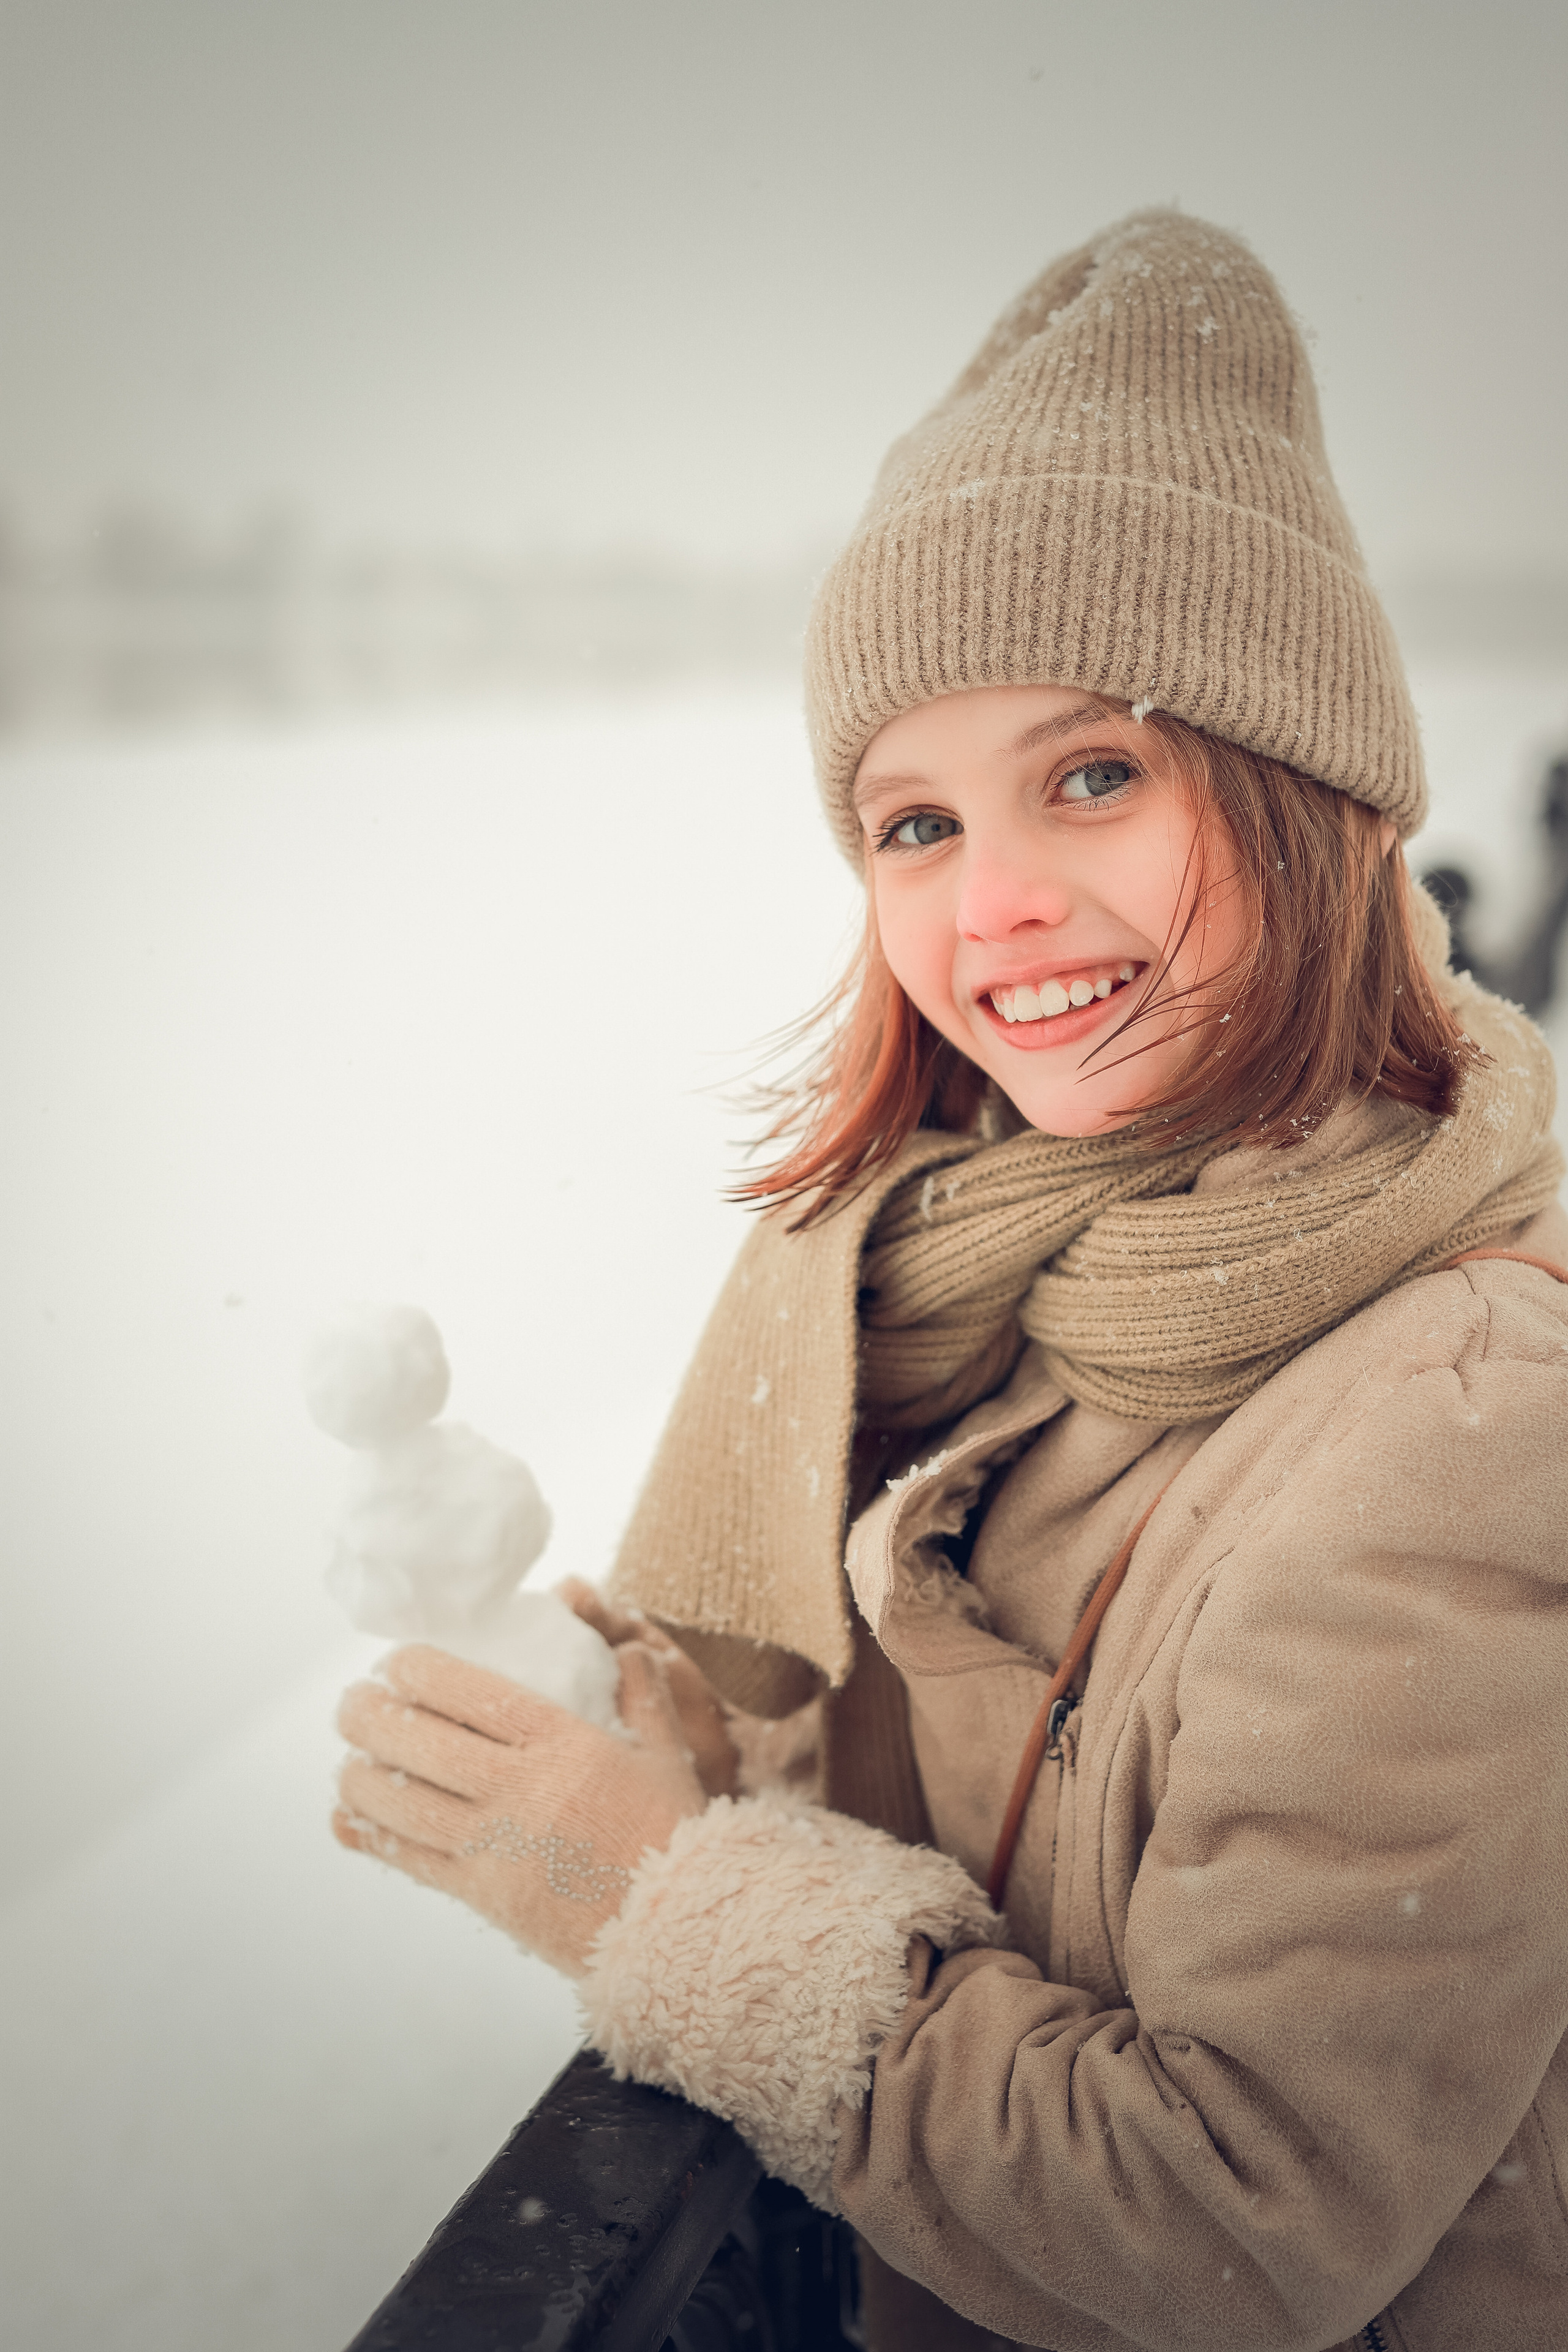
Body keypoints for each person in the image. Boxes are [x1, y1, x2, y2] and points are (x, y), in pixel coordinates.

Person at [332, 211, 1568, 2351]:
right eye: (910, 824)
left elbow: (1241, 2217)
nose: (993, 908)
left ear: (1325, 803)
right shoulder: (1069, 1263)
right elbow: (1042, 1821)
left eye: (1095, 774)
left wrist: (652, 1889)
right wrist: (698, 1751)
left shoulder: (1460, 1411)